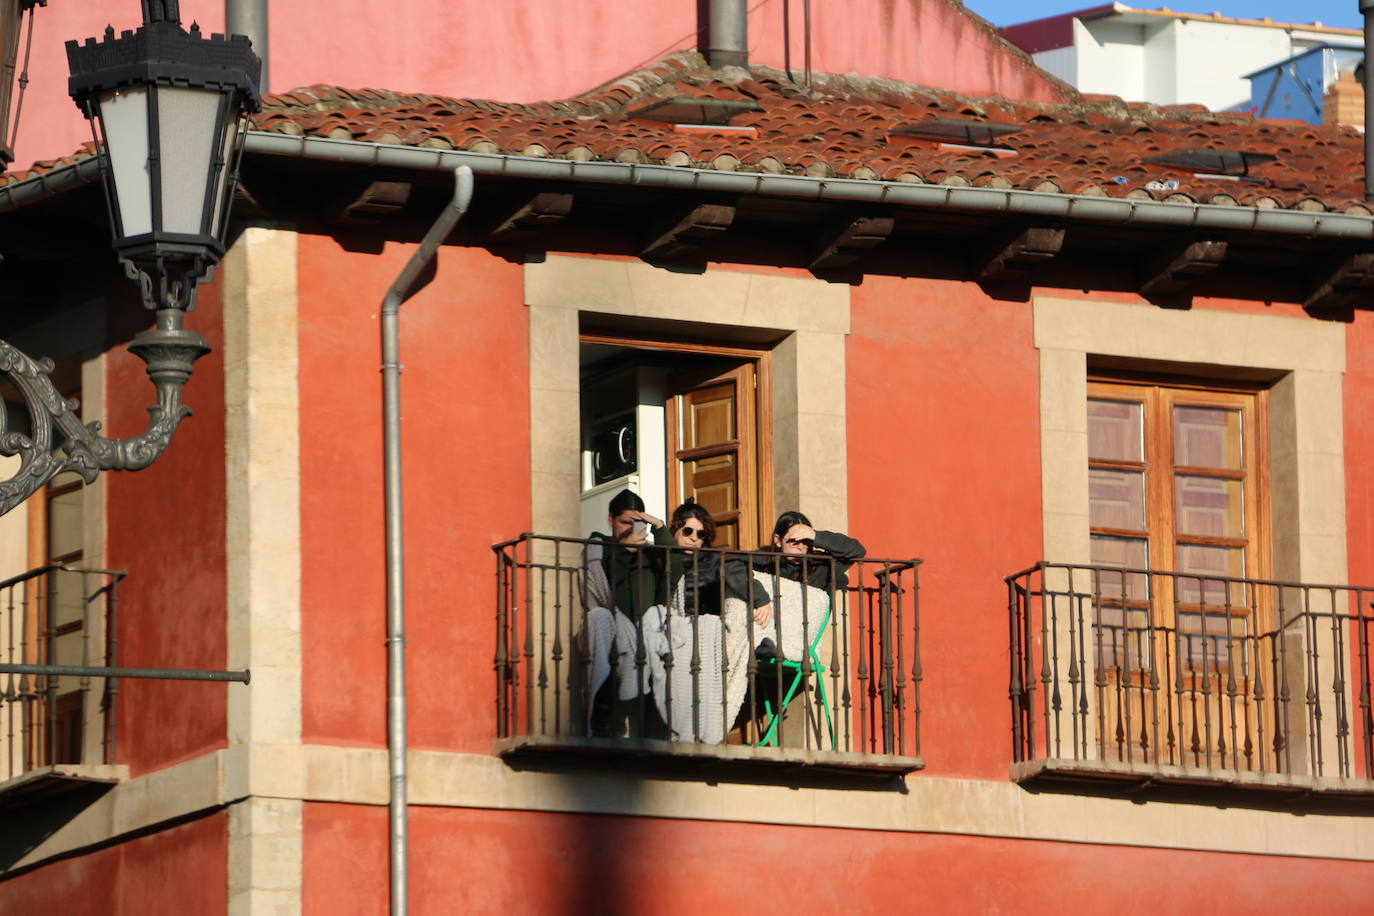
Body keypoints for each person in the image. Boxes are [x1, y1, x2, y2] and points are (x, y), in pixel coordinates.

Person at [642, 501, 770, 743]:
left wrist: (761, 598)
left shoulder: (711, 562)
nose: (693, 538)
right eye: (687, 531)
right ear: (675, 531)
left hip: (699, 636)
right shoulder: (662, 557)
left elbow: (738, 572)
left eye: (700, 534)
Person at [580, 488, 673, 737]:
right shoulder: (599, 548)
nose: (630, 529)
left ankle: (660, 727)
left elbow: (675, 576)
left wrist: (661, 529)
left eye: (637, 523)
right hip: (613, 632)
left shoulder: (653, 554)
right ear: (611, 519)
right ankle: (601, 711)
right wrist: (624, 553)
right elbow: (602, 595)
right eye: (625, 522)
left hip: (648, 634)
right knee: (602, 618)